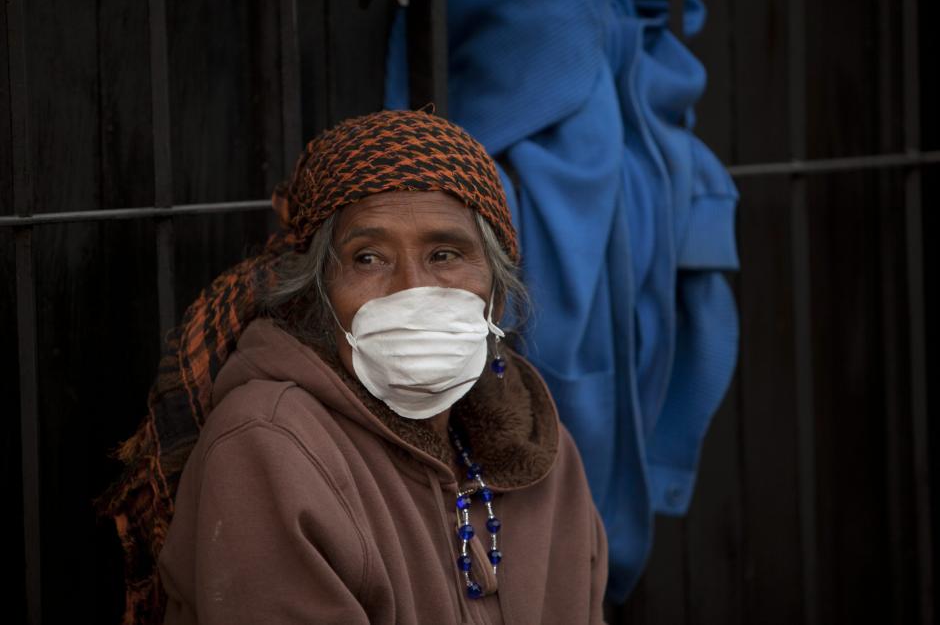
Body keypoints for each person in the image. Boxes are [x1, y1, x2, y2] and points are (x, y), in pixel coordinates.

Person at [103, 110, 607, 625]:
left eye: (445, 253)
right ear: (319, 298)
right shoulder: (270, 446)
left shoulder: (543, 454)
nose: (412, 287)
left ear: (496, 296)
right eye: (368, 258)